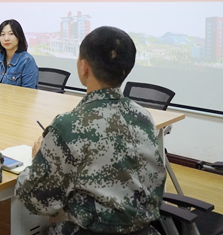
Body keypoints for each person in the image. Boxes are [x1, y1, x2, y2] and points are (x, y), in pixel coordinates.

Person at [15, 26, 166, 235]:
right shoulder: (143, 117)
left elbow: (36, 201)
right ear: (127, 70)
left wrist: (38, 159)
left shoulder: (68, 125)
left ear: (84, 67)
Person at [0, 19, 39, 88]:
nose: (6, 38)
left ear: (19, 36)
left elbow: (29, 91)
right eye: (2, 34)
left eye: (11, 34)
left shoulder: (27, 61)